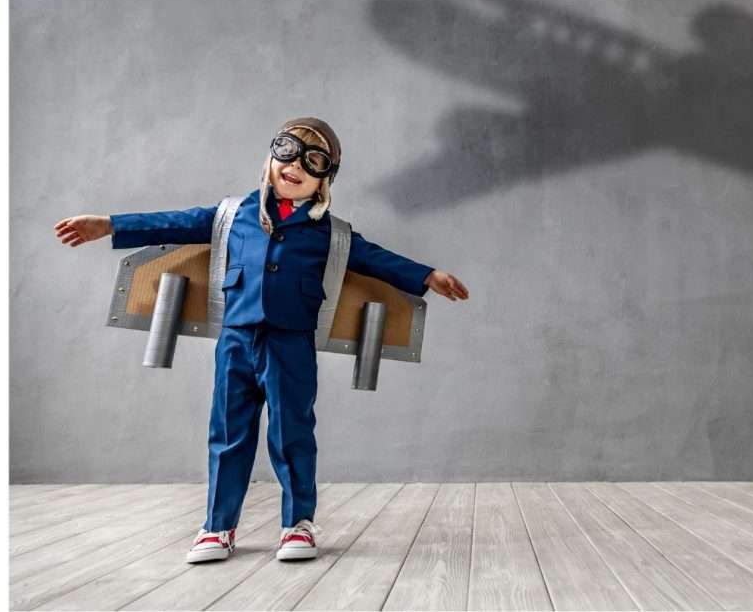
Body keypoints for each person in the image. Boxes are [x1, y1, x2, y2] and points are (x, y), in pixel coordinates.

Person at [53, 117, 469, 563]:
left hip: (291, 343)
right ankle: (217, 527)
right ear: (271, 158)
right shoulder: (232, 215)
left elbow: (376, 260)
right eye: (287, 151)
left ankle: (298, 525)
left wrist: (427, 276)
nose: (296, 166)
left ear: (326, 179)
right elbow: (172, 222)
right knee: (229, 432)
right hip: (236, 338)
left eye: (313, 161)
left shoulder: (331, 233)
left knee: (292, 431)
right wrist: (111, 225)